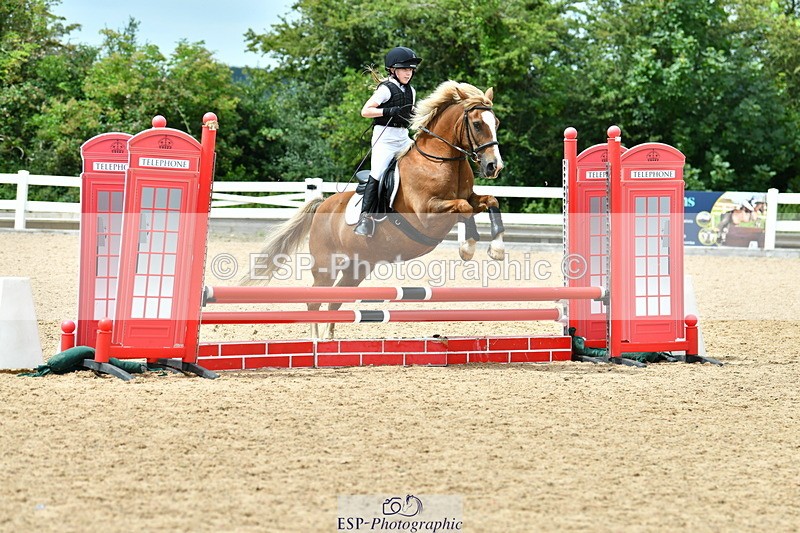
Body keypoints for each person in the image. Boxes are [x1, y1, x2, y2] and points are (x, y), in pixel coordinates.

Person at [354, 46, 422, 237]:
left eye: (410, 69)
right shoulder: (385, 90)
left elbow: (411, 114)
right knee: (377, 173)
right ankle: (365, 219)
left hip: (402, 137)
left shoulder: (412, 91)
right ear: (393, 70)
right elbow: (365, 111)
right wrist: (387, 111)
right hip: (384, 138)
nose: (408, 73)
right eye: (404, 69)